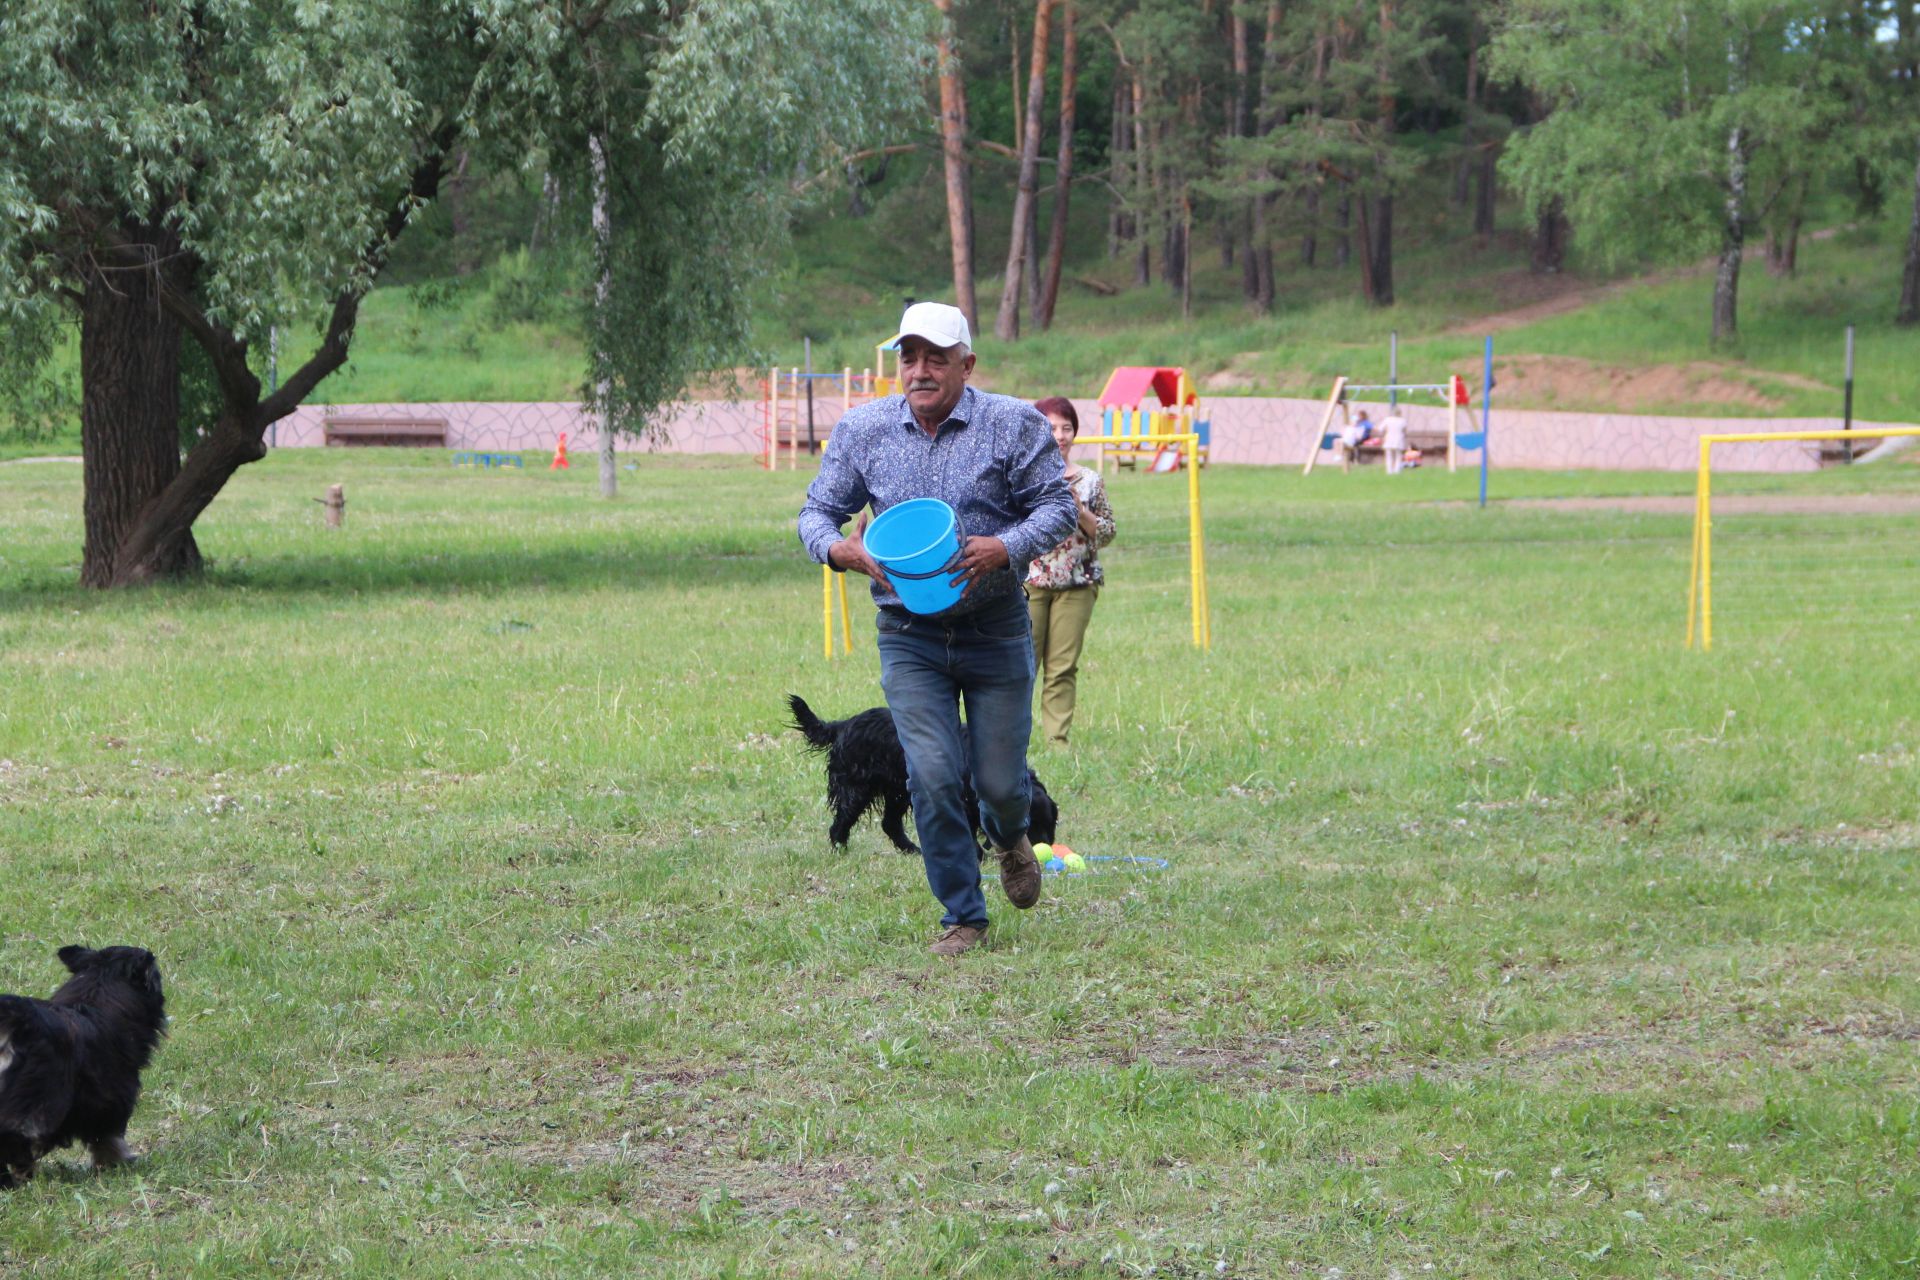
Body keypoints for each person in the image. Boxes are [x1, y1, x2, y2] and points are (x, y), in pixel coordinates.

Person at [797, 302, 1078, 958]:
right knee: (929, 772)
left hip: (995, 629)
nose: (920, 371)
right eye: (909, 357)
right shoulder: (863, 431)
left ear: (966, 364)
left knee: (1002, 785)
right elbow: (816, 513)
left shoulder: (1012, 424)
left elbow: (1058, 506)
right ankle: (963, 915)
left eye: (936, 358)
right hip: (909, 635)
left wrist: (1002, 547)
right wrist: (842, 551)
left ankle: (1009, 839)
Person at [1024, 397, 1116, 746]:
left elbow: (1107, 532)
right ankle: (1015, 739)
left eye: (1067, 428)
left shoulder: (1090, 481)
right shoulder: (1023, 478)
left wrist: (1080, 512)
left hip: (1077, 585)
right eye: (1051, 427)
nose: (1060, 435)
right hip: (1030, 582)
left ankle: (1056, 740)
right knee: (1021, 667)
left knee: (1062, 667)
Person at [1381, 408, 1408, 475]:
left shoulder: (1387, 419)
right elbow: (1405, 431)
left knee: (1389, 455)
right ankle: (1397, 471)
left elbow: (1381, 428)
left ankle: (1389, 471)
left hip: (1389, 438)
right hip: (1399, 439)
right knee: (1398, 455)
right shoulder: (1402, 420)